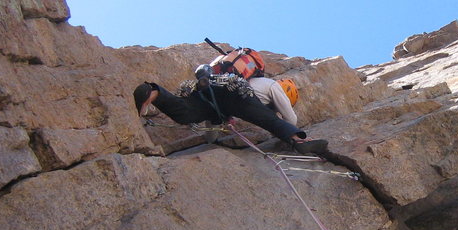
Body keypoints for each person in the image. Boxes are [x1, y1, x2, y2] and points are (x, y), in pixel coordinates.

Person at [133, 65, 328, 154]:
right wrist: (290, 132)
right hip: (236, 94)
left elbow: (211, 137)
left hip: (211, 95)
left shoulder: (230, 80)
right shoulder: (272, 85)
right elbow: (289, 118)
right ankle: (300, 141)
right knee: (269, 119)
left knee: (187, 114)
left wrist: (218, 126)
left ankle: (153, 93)